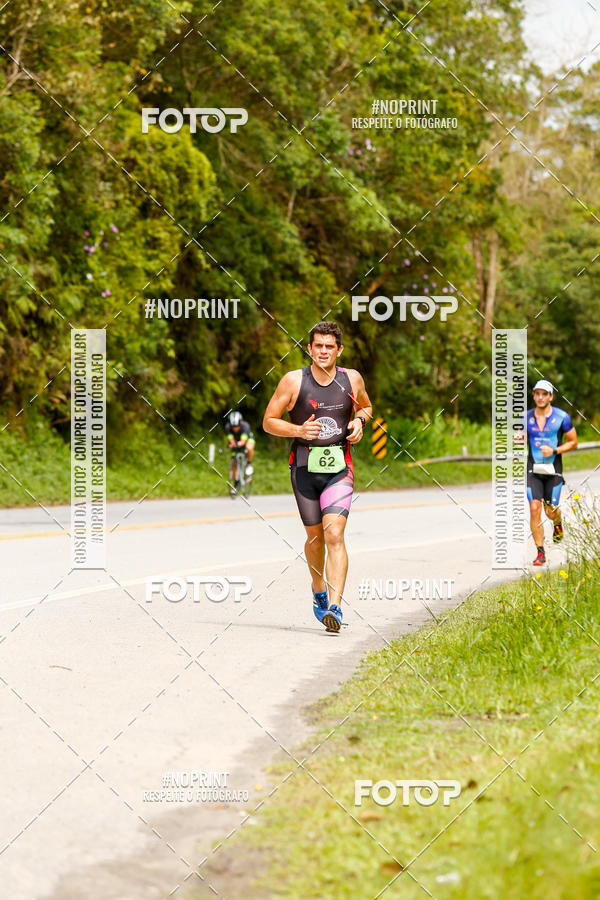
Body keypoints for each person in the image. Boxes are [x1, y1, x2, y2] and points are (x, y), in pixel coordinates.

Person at [262, 321, 372, 632]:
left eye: (329, 346)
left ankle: (335, 608)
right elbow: (269, 421)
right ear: (309, 349)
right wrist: (297, 430)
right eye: (317, 346)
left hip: (340, 468)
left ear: (340, 350)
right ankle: (318, 588)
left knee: (335, 534)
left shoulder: (351, 379)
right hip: (303, 467)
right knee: (315, 538)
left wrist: (359, 422)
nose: (323, 351)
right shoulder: (293, 381)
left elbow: (366, 406)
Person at [526, 379, 577, 566]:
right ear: (533, 396)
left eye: (544, 394)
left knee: (550, 511)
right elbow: (520, 438)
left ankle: (557, 523)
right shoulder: (526, 417)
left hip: (553, 471)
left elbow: (573, 442)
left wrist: (554, 451)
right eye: (537, 393)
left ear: (551, 396)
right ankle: (540, 553)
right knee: (534, 508)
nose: (540, 397)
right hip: (533, 470)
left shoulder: (562, 417)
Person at [225, 411, 255, 484]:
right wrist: (232, 444)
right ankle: (236, 483)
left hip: (247, 439)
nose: (235, 428)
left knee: (249, 447)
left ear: (240, 423)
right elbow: (231, 439)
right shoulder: (228, 427)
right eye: (233, 427)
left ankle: (249, 464)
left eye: (237, 426)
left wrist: (237, 444)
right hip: (236, 440)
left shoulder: (245, 426)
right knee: (234, 463)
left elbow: (243, 441)